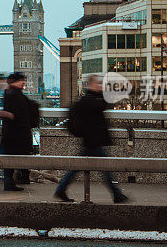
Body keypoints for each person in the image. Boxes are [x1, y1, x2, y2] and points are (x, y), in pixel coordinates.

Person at [54, 74, 128, 203]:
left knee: (78, 168)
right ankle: (116, 195)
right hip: (93, 141)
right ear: (90, 85)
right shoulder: (90, 100)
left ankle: (61, 189)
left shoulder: (91, 99)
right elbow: (104, 105)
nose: (100, 86)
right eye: (98, 83)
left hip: (91, 141)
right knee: (105, 169)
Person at [0, 72, 35, 192]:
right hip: (16, 135)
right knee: (15, 158)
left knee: (14, 158)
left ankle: (14, 181)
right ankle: (12, 182)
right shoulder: (14, 95)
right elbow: (20, 115)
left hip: (12, 134)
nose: (24, 82)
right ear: (14, 81)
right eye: (21, 80)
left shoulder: (11, 94)